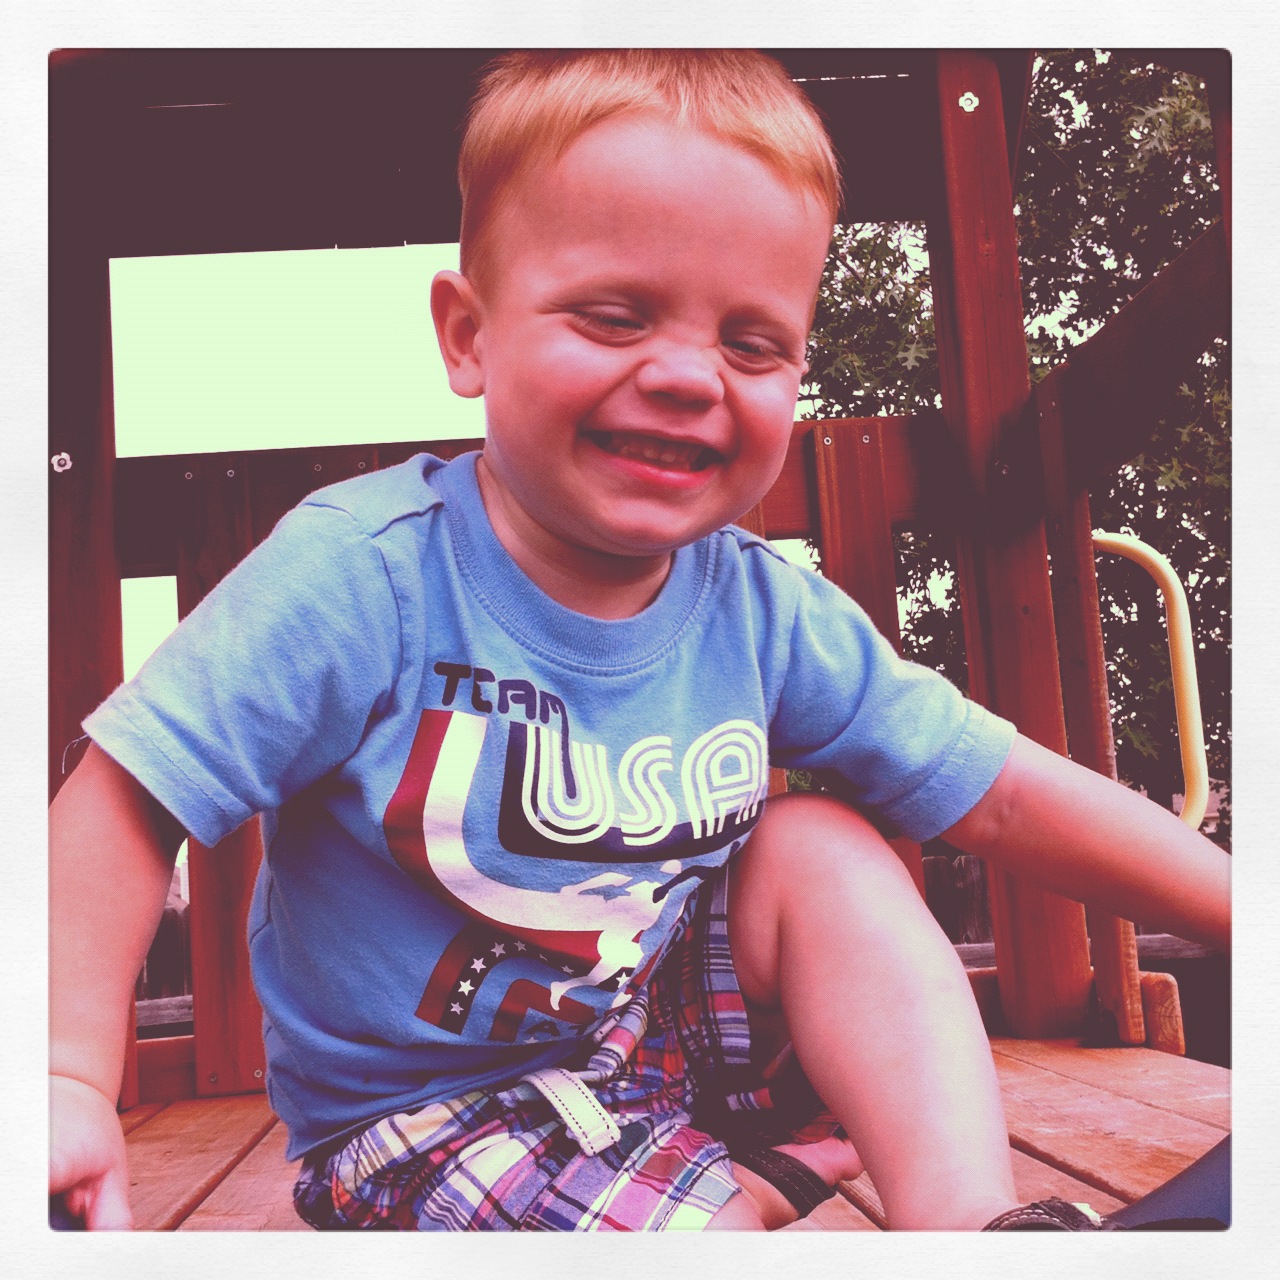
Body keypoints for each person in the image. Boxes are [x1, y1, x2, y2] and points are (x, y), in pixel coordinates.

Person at [49, 49, 1230, 1233]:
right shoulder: (365, 574)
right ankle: (726, 1197)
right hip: (424, 1117)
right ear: (467, 335)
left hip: (644, 1043)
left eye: (751, 343)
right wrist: (60, 1075)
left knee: (816, 848)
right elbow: (130, 795)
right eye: (613, 317)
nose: (683, 375)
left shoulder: (760, 609)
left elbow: (1003, 793)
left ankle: (968, 1222)